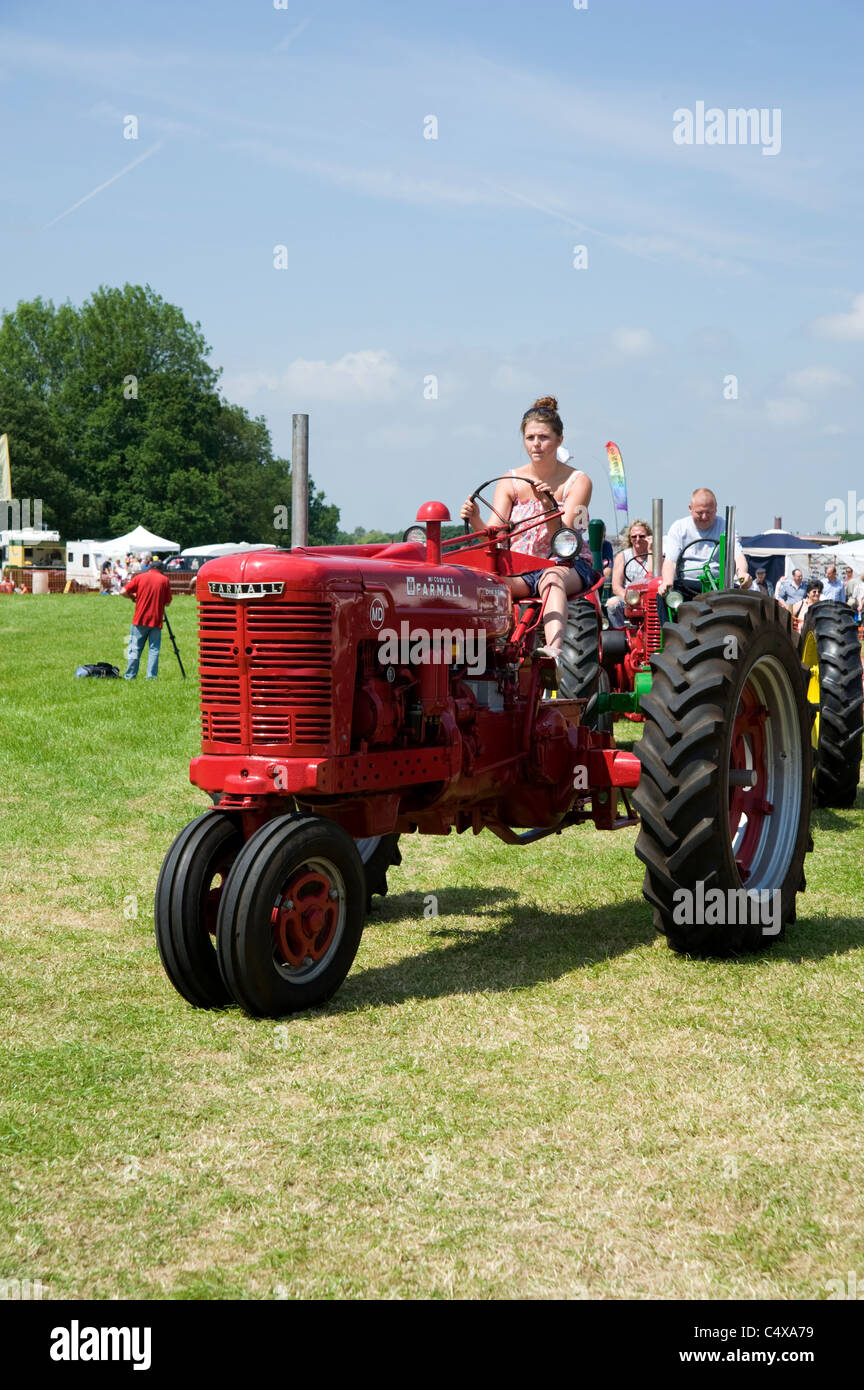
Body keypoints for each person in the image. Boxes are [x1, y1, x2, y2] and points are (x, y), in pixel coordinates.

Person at [459, 396, 596, 665]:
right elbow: (495, 536)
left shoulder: (577, 481)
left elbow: (565, 537)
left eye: (544, 437)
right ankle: (476, 661)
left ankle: (553, 656)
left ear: (559, 440)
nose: (536, 444)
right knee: (481, 585)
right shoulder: (510, 481)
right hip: (520, 568)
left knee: (551, 579)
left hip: (566, 565)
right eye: (530, 437)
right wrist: (476, 520)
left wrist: (548, 506)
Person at [659, 488, 751, 599]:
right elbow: (671, 561)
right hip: (687, 584)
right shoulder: (679, 528)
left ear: (716, 509)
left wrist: (742, 573)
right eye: (700, 512)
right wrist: (667, 582)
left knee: (744, 599)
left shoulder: (726, 527)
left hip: (719, 585)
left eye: (709, 512)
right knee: (663, 596)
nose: (704, 517)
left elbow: (737, 555)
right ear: (690, 508)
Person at [122, 551, 172, 680]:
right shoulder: (164, 580)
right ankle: (151, 677)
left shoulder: (140, 577)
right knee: (154, 649)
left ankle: (130, 675)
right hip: (156, 620)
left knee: (134, 649)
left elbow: (123, 591)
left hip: (140, 619)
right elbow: (168, 603)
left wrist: (133, 597)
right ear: (161, 570)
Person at [606, 520, 655, 628]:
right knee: (612, 603)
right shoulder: (622, 556)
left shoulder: (655, 557)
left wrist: (651, 550)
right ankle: (619, 634)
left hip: (649, 599)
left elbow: (652, 578)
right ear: (630, 538)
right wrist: (630, 599)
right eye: (634, 536)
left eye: (642, 536)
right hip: (628, 598)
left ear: (649, 537)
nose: (637, 539)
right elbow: (616, 587)